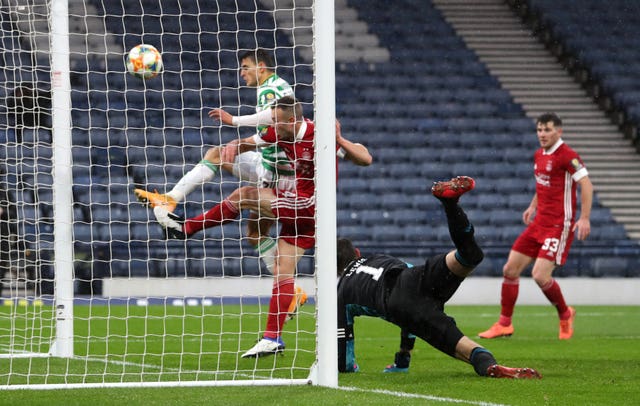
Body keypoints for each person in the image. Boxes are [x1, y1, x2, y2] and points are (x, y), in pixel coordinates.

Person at [153, 96, 372, 358]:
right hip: (304, 215)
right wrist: (236, 144)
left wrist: (338, 139)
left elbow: (365, 158)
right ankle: (272, 338)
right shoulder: (280, 132)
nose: (272, 127)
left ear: (291, 121)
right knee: (282, 269)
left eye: (276, 122)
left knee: (244, 195)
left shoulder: (318, 135)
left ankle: (186, 229)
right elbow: (252, 142)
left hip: (310, 204)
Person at [134, 49, 303, 313]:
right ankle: (170, 199)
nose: (242, 73)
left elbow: (273, 124)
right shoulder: (274, 87)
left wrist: (234, 123)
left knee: (255, 230)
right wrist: (238, 145)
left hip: (278, 176)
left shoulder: (271, 89)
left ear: (261, 66)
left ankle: (290, 292)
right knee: (218, 156)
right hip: (266, 165)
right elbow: (269, 134)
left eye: (245, 67)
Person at [337, 176, 541, 379]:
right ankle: (450, 204)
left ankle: (489, 365)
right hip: (414, 276)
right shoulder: (376, 258)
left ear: (334, 269)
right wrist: (403, 357)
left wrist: (348, 367)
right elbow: (404, 273)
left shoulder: (342, 291)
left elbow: (343, 341)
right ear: (357, 252)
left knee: (465, 348)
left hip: (401, 305)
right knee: (469, 255)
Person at [478, 112, 593, 340]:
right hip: (539, 222)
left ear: (559, 131)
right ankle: (504, 324)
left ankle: (565, 313)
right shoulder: (539, 154)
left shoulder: (567, 155)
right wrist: (532, 206)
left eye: (547, 130)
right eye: (539, 130)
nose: (542, 134)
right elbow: (544, 185)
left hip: (559, 224)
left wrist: (585, 218)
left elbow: (587, 185)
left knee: (540, 275)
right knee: (510, 270)